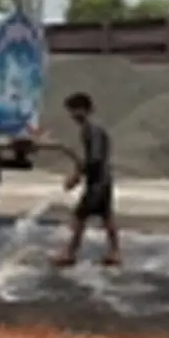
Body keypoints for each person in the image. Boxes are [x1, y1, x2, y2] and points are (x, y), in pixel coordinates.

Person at [55, 91, 121, 267]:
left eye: (74, 111)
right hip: (103, 179)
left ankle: (69, 253)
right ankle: (115, 253)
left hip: (98, 181)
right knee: (107, 216)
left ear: (84, 110)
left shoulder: (91, 130)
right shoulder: (92, 129)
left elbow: (95, 158)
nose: (72, 116)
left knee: (79, 215)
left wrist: (76, 176)